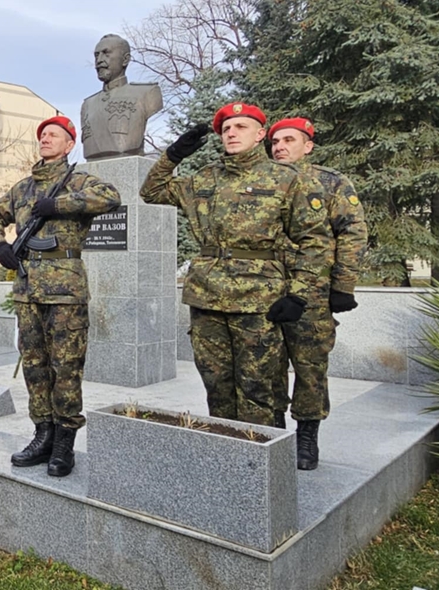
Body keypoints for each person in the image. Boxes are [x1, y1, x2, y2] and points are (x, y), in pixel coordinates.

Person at [140, 102, 331, 428]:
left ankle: (262, 460)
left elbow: (315, 242)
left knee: (258, 386)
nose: (231, 133)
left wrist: (298, 294)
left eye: (240, 127)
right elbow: (151, 191)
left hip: (258, 298)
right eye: (226, 128)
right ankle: (227, 454)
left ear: (260, 135)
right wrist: (172, 155)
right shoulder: (205, 178)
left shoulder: (286, 179)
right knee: (216, 384)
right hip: (207, 296)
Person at [0, 115, 121, 477]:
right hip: (28, 288)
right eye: (42, 134)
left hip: (65, 291)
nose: (45, 139)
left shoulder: (78, 180)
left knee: (66, 368)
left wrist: (58, 206)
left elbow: (111, 197)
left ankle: (64, 443)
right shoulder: (23, 188)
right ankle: (42, 434)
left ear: (69, 143)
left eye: (54, 135)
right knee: (35, 367)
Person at [269, 117, 368, 470]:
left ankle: (306, 436)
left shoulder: (330, 183)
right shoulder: (263, 180)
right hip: (266, 289)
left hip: (312, 293)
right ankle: (274, 434)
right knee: (267, 368)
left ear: (308, 145)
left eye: (288, 140)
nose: (279, 146)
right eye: (275, 140)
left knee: (310, 368)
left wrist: (343, 285)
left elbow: (353, 232)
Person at [79, 34, 163, 160]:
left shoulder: (146, 93)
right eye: (97, 55)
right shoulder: (88, 104)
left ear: (125, 59)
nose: (99, 60)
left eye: (106, 53)